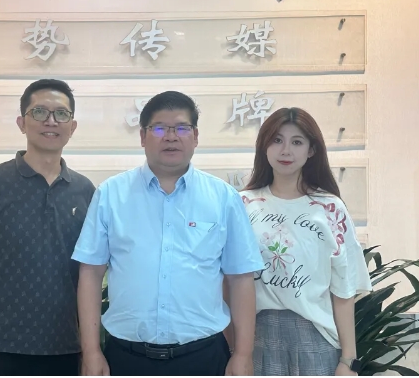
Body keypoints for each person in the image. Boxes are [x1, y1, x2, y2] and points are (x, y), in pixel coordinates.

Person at [72, 91, 263, 376]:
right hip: (125, 358)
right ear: (142, 136)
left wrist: (244, 355)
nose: (171, 137)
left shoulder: (223, 197)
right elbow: (90, 274)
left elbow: (241, 278)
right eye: (159, 128)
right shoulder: (111, 194)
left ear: (195, 136)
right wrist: (91, 351)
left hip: (204, 357)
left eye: (182, 128)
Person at [0, 79, 96, 376]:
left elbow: (88, 276)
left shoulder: (85, 191)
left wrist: (90, 351)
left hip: (63, 350)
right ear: (21, 123)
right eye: (39, 112)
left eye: (61, 114)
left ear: (73, 126)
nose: (51, 121)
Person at [235, 107, 371, 376]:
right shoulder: (243, 204)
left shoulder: (330, 208)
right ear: (264, 146)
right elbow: (230, 284)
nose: (286, 150)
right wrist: (236, 350)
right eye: (277, 140)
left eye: (297, 142)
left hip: (316, 339)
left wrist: (348, 361)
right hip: (255, 339)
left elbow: (343, 289)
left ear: (311, 150)